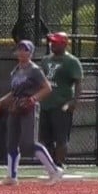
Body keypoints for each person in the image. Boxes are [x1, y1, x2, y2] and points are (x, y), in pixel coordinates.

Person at [0, 40, 63, 186]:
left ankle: (54, 171)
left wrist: (33, 99)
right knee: (11, 142)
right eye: (20, 49)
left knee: (29, 143)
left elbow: (47, 88)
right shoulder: (16, 70)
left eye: (25, 50)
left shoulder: (34, 70)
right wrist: (1, 101)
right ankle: (12, 176)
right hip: (15, 107)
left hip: (28, 108)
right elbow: (14, 92)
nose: (22, 52)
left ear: (30, 52)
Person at [38, 32, 83, 167]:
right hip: (45, 104)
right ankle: (50, 164)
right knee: (45, 138)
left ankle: (59, 164)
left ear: (64, 44)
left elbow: (78, 82)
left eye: (56, 42)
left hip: (61, 104)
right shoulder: (46, 60)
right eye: (52, 42)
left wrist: (74, 101)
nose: (52, 45)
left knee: (61, 138)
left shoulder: (71, 61)